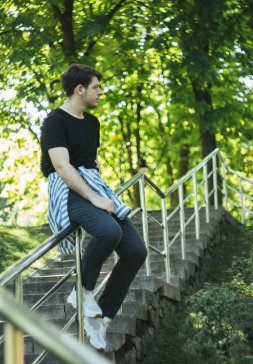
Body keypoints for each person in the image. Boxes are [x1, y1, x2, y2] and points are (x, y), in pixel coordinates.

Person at [40, 64, 147, 351]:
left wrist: (104, 192)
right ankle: (82, 291)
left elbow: (92, 162)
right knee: (107, 231)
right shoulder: (54, 121)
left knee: (137, 250)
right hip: (68, 188)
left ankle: (102, 317)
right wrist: (94, 198)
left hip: (93, 184)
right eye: (96, 87)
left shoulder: (92, 123)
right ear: (80, 89)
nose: (100, 92)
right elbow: (62, 166)